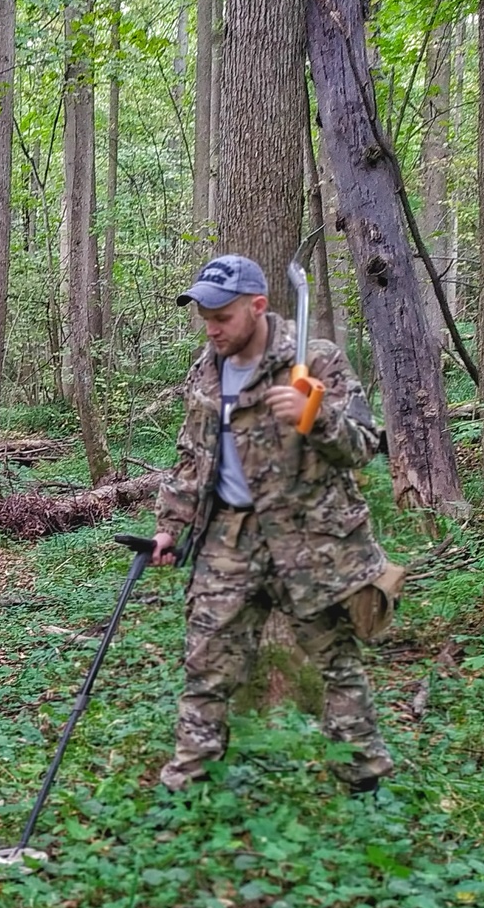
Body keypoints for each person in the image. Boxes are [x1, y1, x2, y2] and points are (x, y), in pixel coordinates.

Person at [150, 253, 401, 793]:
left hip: (309, 541)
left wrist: (317, 418)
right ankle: (188, 786)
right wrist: (172, 524)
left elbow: (363, 448)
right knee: (206, 662)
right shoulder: (207, 367)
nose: (212, 327)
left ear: (258, 306)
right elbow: (192, 453)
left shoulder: (314, 359)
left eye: (222, 316)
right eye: (204, 315)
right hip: (228, 538)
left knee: (337, 663)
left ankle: (364, 782)